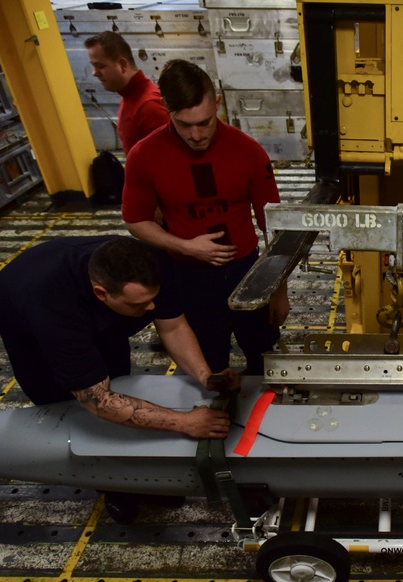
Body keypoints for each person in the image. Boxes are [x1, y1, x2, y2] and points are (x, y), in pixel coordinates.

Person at [0, 236, 237, 524]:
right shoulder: (52, 309)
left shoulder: (149, 266)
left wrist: (205, 375)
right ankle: (114, 487)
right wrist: (185, 422)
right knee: (74, 415)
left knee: (119, 378)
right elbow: (99, 401)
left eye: (153, 299)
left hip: (92, 311)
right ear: (101, 293)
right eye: (141, 304)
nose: (151, 309)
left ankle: (143, 480)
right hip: (33, 329)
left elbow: (172, 326)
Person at [122, 59, 288, 375]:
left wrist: (278, 289)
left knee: (265, 359)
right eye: (185, 125)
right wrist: (186, 247)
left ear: (218, 104)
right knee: (210, 363)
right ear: (166, 109)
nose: (197, 135)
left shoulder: (248, 151)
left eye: (206, 122)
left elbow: (274, 225)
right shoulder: (144, 156)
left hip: (248, 272)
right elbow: (135, 220)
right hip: (189, 277)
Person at [84, 31, 168, 153]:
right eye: (93, 66)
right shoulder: (129, 97)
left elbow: (171, 162)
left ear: (123, 65)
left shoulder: (149, 106)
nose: (94, 73)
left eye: (100, 66)